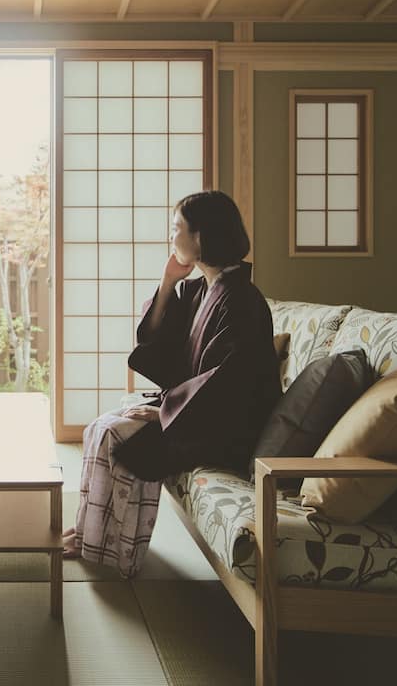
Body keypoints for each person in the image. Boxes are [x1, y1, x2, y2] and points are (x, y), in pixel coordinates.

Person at [62, 190, 281, 577]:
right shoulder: (200, 290)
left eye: (176, 228)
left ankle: (114, 546)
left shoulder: (242, 300)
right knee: (99, 427)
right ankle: (90, 532)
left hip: (225, 427)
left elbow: (227, 382)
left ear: (200, 237)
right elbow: (159, 343)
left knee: (119, 436)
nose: (171, 236)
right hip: (196, 412)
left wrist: (164, 413)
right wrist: (167, 281)